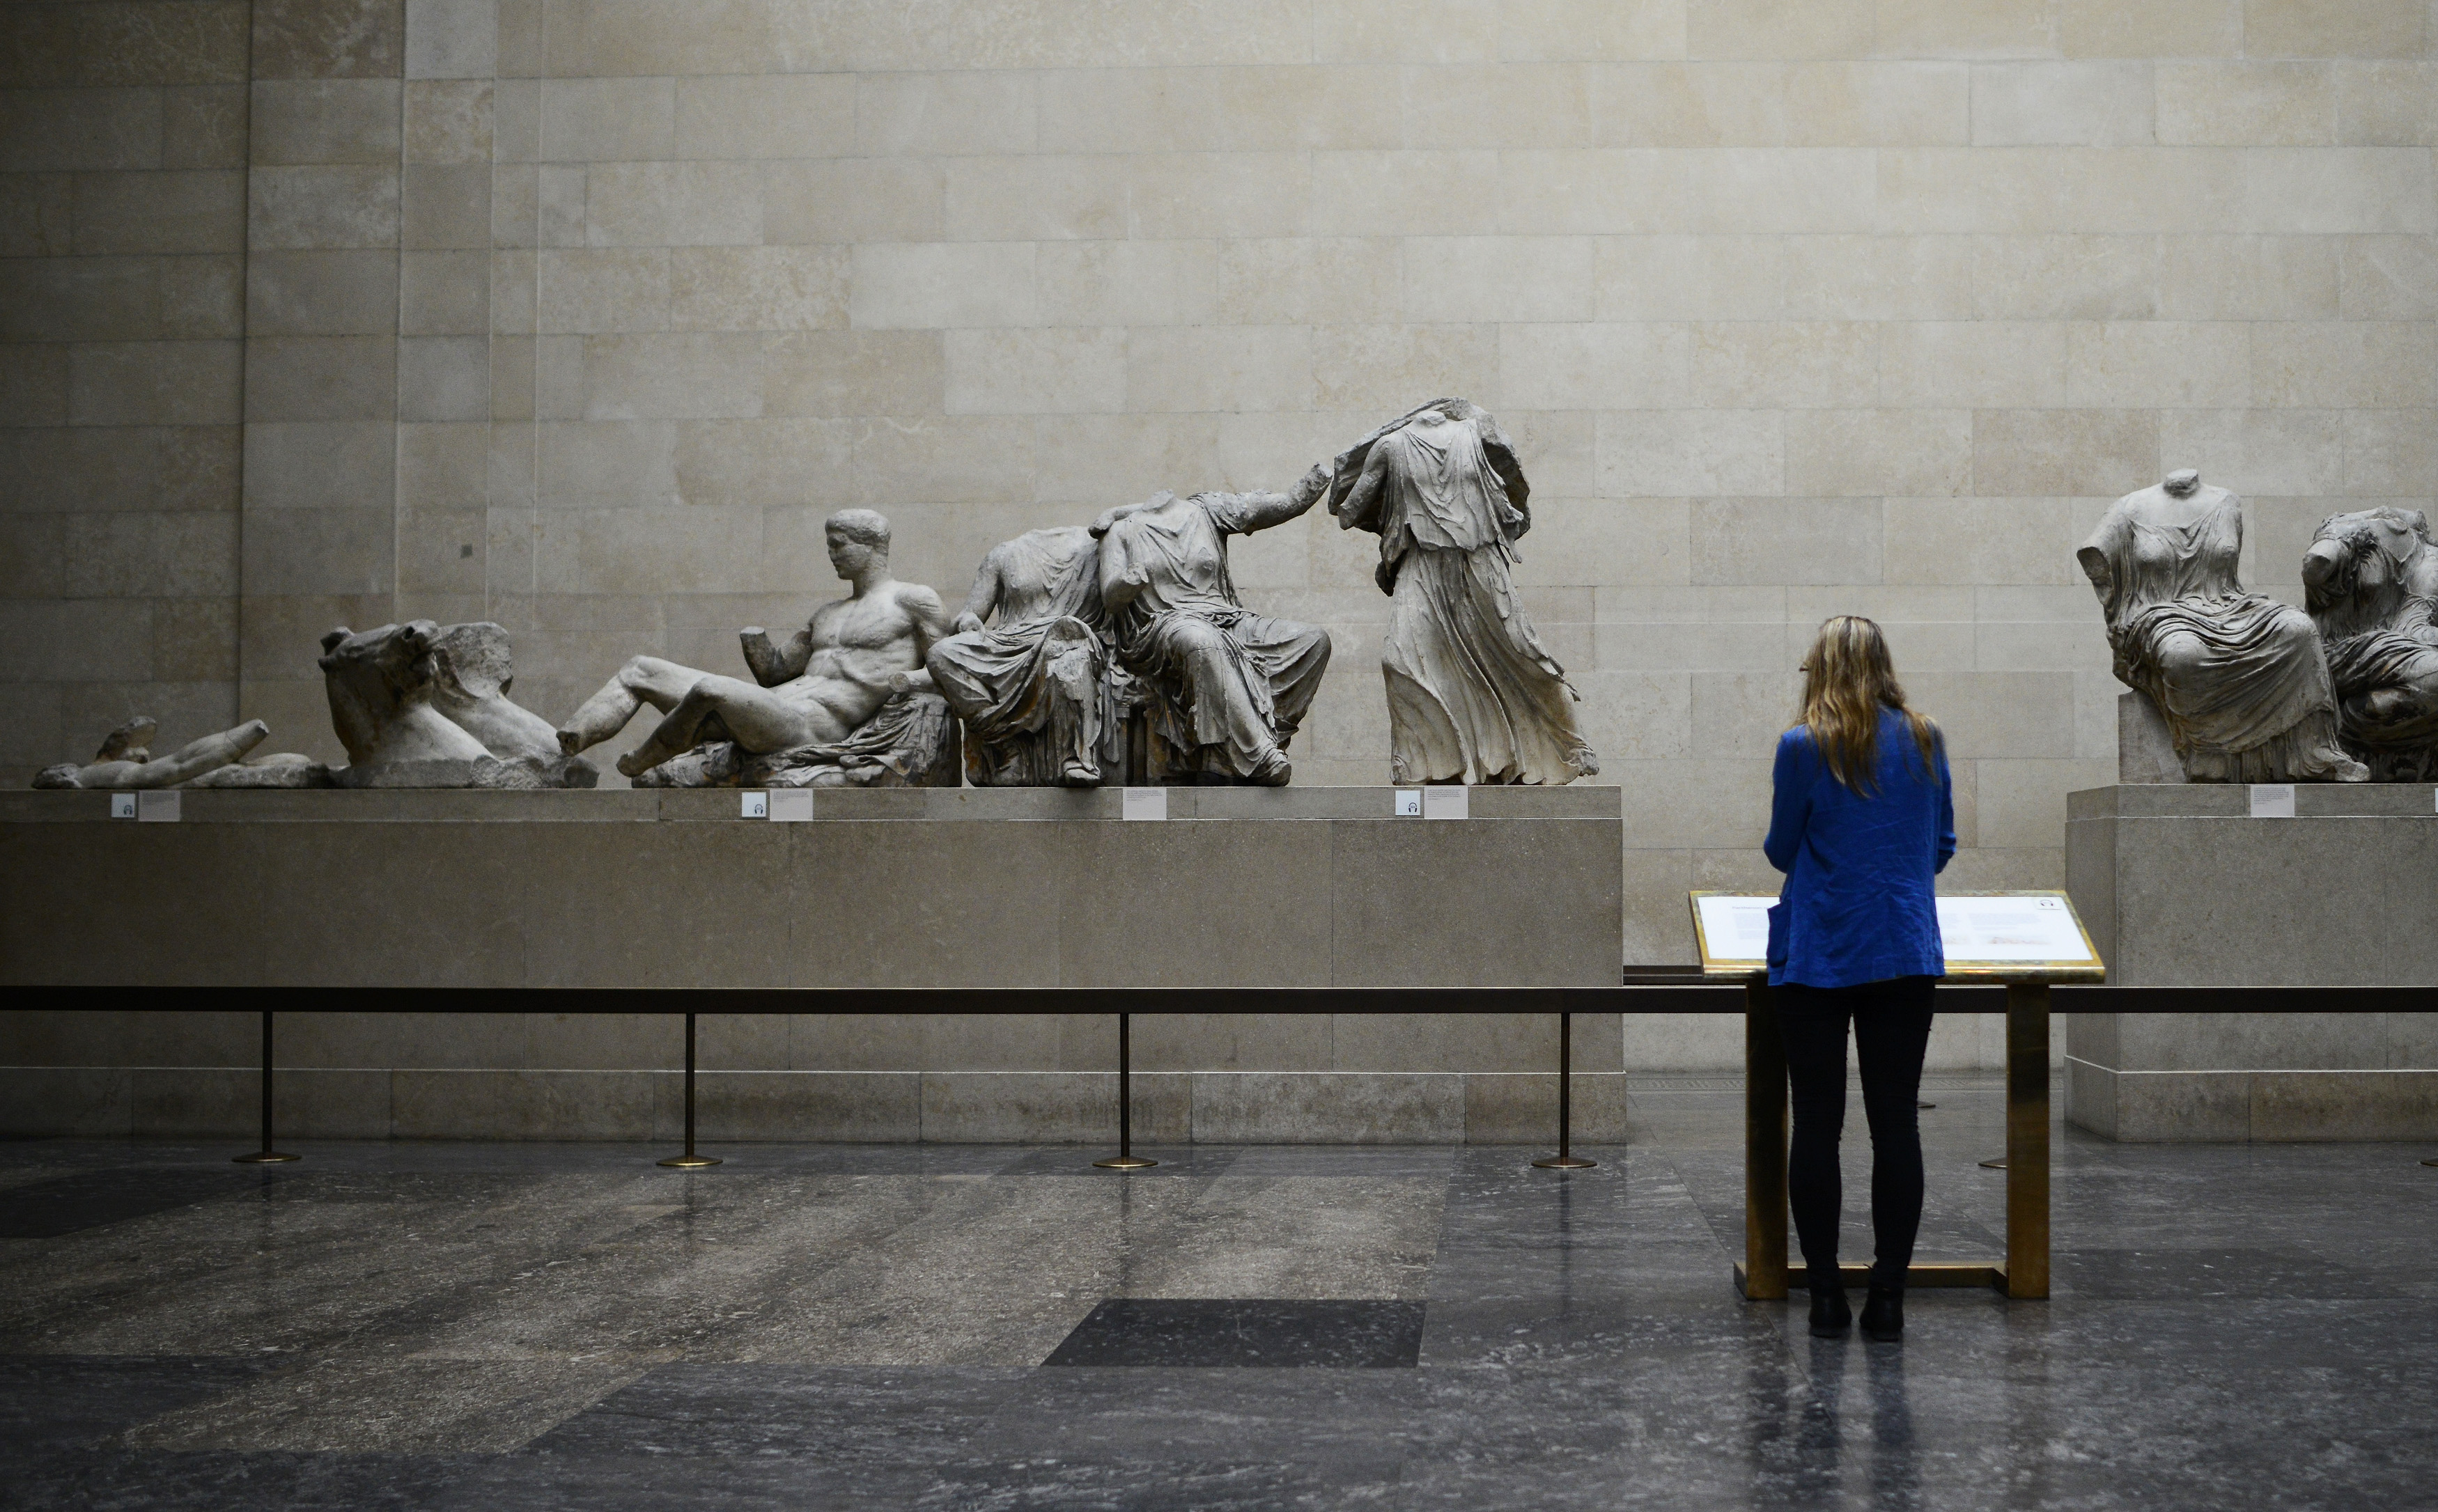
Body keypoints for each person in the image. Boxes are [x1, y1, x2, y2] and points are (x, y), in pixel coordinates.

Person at [1762, 615, 1956, 1344]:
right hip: (1903, 947)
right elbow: (1941, 844)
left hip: (1818, 951)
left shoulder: (1801, 745)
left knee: (1815, 1120)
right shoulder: (1926, 736)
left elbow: (1781, 848)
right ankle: (1887, 1297)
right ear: (1883, 664)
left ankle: (1821, 1297)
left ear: (1818, 665)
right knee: (1894, 1122)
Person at [557, 511, 951, 779]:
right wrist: (754, 639)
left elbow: (947, 668)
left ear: (870, 546)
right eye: (829, 544)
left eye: (839, 545)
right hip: (776, 707)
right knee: (640, 669)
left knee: (711, 689)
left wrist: (905, 681)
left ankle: (647, 758)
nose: (830, 554)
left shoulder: (913, 600)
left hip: (814, 725)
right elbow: (774, 673)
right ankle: (567, 742)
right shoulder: (827, 613)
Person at [1090, 470, 1335, 786]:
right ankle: (1259, 754)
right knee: (1202, 642)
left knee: (1312, 641)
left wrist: (1316, 480)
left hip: (1225, 618)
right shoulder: (1120, 532)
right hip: (1162, 625)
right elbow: (1111, 598)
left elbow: (1285, 504)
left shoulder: (1206, 511)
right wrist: (1127, 582)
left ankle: (1254, 735)